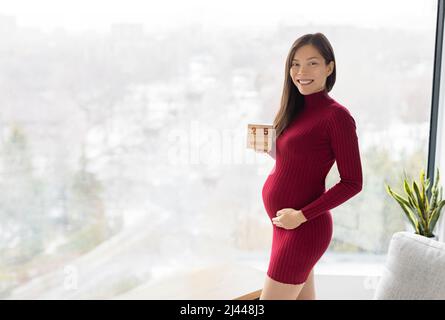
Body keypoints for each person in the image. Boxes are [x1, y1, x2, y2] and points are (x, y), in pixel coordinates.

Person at [258, 33, 363, 300]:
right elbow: (303, 162)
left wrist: (301, 216)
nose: (302, 72)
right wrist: (276, 150)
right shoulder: (295, 109)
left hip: (304, 229)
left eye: (312, 63)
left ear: (329, 67)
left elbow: (353, 182)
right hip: (284, 227)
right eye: (295, 64)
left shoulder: (337, 117)